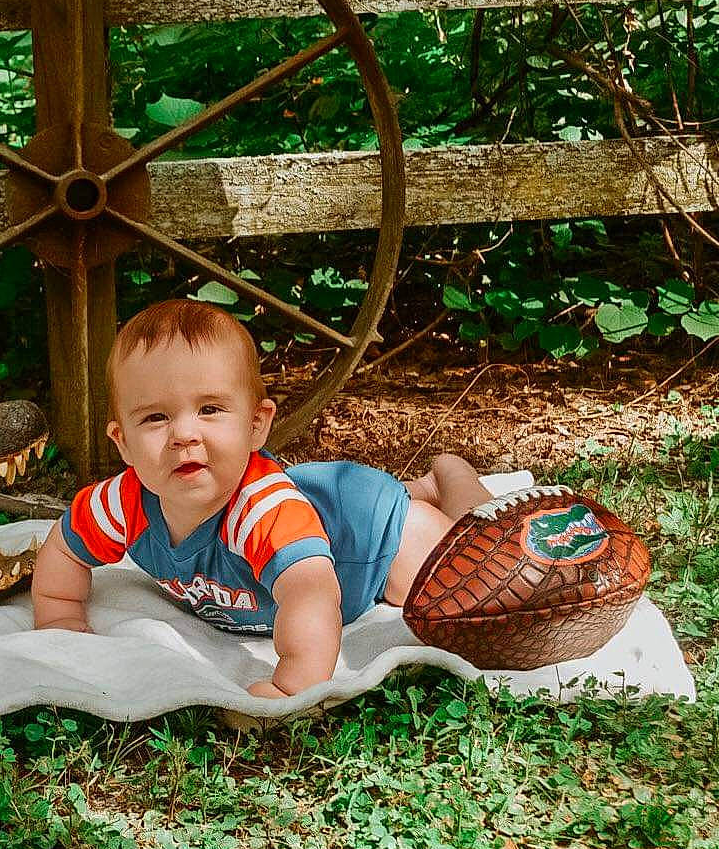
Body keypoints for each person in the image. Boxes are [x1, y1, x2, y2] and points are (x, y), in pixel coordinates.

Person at [31, 299, 493, 698]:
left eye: (209, 409)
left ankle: (450, 478)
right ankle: (424, 488)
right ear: (123, 443)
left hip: (369, 543)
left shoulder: (263, 509)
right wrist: (60, 616)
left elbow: (311, 593)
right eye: (155, 417)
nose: (183, 435)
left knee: (465, 574)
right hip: (322, 513)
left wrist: (295, 683)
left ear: (256, 424)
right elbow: (64, 547)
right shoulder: (120, 503)